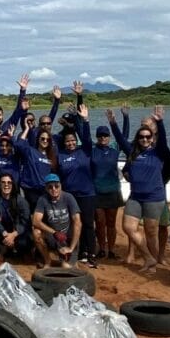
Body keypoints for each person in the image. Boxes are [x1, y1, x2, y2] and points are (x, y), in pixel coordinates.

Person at [110, 106, 170, 273]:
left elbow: (164, 139)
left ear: (152, 139)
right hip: (136, 197)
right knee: (128, 227)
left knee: (151, 232)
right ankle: (149, 258)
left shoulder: (158, 152)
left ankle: (151, 265)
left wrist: (160, 122)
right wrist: (113, 123)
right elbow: (120, 139)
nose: (144, 139)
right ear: (138, 139)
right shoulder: (132, 152)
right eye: (141, 137)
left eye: (147, 137)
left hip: (154, 198)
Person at [57, 100, 98, 267]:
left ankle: (91, 254)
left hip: (87, 194)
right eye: (67, 141)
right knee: (74, 225)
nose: (70, 143)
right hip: (70, 196)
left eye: (73, 141)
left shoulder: (85, 151)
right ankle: (78, 252)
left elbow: (86, 138)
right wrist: (66, 124)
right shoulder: (60, 155)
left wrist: (84, 120)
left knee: (88, 224)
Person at [32, 174, 82, 267]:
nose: (54, 189)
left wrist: (71, 248)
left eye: (56, 186)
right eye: (50, 187)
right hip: (53, 236)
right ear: (46, 189)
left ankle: (72, 259)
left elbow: (77, 222)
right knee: (36, 232)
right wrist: (54, 232)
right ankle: (48, 261)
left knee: (66, 267)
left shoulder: (69, 197)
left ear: (61, 186)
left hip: (67, 238)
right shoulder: (43, 199)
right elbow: (35, 221)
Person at [91, 120, 124, 260]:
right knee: (99, 222)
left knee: (111, 222)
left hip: (112, 191)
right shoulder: (92, 151)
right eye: (100, 136)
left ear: (109, 137)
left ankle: (111, 250)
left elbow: (123, 136)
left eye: (105, 135)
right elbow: (82, 133)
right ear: (97, 137)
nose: (103, 138)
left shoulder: (114, 150)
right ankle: (102, 249)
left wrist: (125, 118)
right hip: (97, 191)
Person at [0, 173, 32, 266]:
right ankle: (1, 251)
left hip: (16, 231)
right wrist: (4, 233)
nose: (6, 185)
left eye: (9, 182)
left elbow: (26, 222)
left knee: (24, 242)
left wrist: (13, 235)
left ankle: (20, 253)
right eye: (3, 182)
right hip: (2, 229)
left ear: (13, 185)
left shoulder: (20, 200)